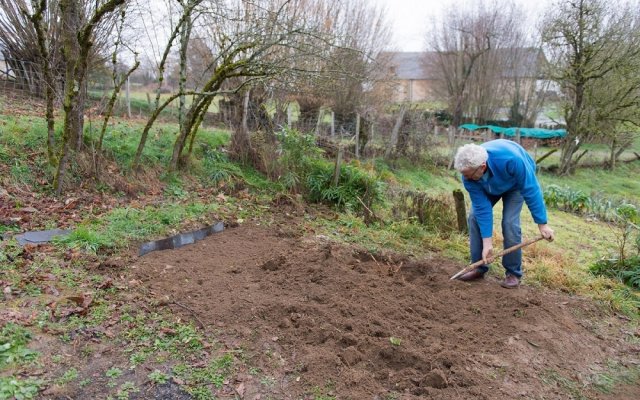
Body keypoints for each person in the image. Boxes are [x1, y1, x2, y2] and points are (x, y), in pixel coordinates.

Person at [453, 139, 555, 288]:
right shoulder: (469, 175)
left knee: (509, 223)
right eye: (464, 175)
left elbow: (531, 190)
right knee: (474, 217)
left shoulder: (512, 160)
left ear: (482, 166)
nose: (466, 179)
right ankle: (478, 266)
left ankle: (513, 272)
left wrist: (542, 224)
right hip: (487, 185)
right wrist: (487, 244)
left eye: (468, 175)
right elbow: (482, 209)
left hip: (515, 185)